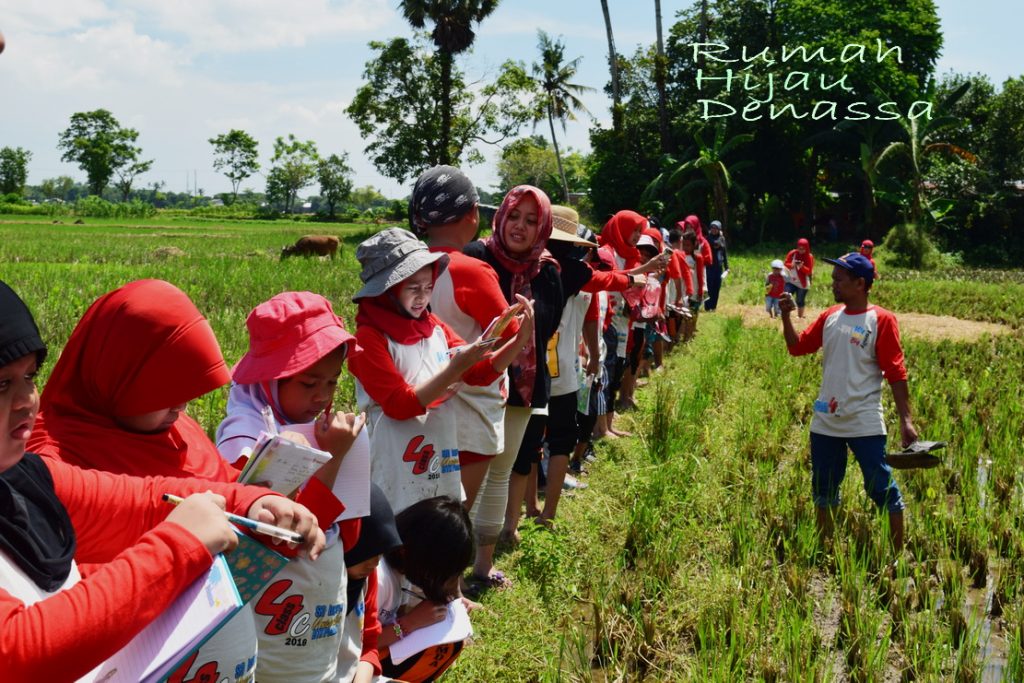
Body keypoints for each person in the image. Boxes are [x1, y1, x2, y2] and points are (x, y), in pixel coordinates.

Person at [0, 279, 323, 683]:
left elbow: (144, 499)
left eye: (30, 376)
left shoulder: (24, 478)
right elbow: (16, 653)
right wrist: (178, 546)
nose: (28, 400)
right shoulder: (50, 452)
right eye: (2, 383)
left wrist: (248, 501)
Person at [214, 291, 368, 683]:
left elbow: (347, 532)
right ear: (268, 379)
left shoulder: (323, 430)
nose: (323, 396)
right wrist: (330, 459)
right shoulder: (244, 443)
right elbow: (284, 537)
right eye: (309, 382)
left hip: (317, 605)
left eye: (332, 381)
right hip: (274, 614)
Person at [348, 227, 534, 518]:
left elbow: (478, 373)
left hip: (437, 451)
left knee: (436, 527)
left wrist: (516, 342)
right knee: (398, 534)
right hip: (393, 457)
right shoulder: (369, 338)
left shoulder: (431, 324)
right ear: (387, 290)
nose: (423, 297)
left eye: (428, 286)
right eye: (412, 288)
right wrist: (453, 370)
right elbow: (399, 404)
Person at [780, 252, 918, 552]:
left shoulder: (880, 320)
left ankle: (896, 554)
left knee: (881, 488)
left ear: (860, 283)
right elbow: (798, 347)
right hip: (825, 421)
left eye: (840, 280)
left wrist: (906, 420)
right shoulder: (830, 316)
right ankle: (825, 548)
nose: (834, 285)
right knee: (824, 488)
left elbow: (896, 371)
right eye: (833, 279)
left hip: (864, 421)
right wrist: (786, 316)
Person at [409, 165, 519, 511]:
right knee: (454, 517)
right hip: (469, 410)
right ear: (472, 213)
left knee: (420, 508)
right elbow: (509, 333)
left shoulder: (406, 265)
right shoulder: (469, 269)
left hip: (418, 404)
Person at [375, 496, 474, 683]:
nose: (443, 583)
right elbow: (353, 646)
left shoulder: (397, 566)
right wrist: (409, 623)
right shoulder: (378, 578)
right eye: (440, 575)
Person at [339, 483, 402, 683]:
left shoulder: (367, 577)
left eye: (380, 553)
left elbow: (369, 645)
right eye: (367, 552)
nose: (374, 563)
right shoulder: (310, 581)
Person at [784, 238, 815, 318]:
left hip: (803, 282)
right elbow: (785, 263)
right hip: (791, 280)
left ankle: (800, 317)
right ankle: (786, 314)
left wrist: (802, 267)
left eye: (803, 249)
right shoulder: (792, 253)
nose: (800, 250)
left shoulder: (809, 257)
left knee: (800, 300)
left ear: (806, 248)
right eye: (799, 248)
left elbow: (809, 271)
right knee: (786, 295)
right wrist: (791, 265)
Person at [704, 220, 729, 311]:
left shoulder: (722, 239)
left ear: (719, 229)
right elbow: (712, 245)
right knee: (709, 287)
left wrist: (727, 267)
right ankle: (707, 306)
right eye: (712, 228)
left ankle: (713, 306)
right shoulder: (707, 239)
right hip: (709, 266)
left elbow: (724, 253)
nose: (714, 230)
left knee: (716, 288)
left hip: (718, 267)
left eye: (716, 228)